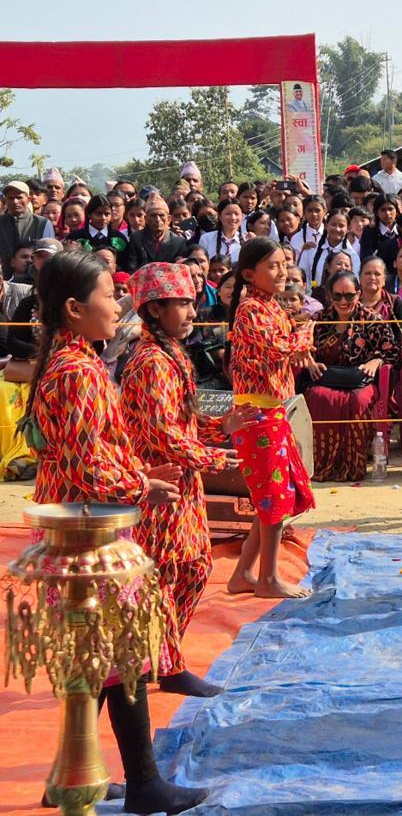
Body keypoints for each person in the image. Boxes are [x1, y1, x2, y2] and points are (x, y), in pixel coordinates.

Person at [25, 249, 207, 814]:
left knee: (98, 658)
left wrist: (133, 472)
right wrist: (141, 483)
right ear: (76, 309)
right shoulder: (77, 370)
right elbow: (88, 464)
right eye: (109, 295)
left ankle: (74, 776)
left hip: (81, 527)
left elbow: (91, 453)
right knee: (121, 653)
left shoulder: (71, 361)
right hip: (90, 531)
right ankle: (145, 784)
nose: (117, 305)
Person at [121, 262, 252, 699]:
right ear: (155, 309)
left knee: (193, 566)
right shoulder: (151, 361)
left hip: (182, 478)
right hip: (162, 482)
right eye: (183, 303)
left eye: (193, 302)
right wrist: (217, 457)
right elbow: (162, 432)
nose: (193, 311)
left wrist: (221, 426)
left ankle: (163, 656)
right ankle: (160, 663)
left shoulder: (172, 352)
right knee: (167, 571)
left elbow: (185, 418)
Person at [226, 237, 317, 599]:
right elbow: (277, 348)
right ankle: (266, 579)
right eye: (273, 266)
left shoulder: (268, 306)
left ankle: (244, 573)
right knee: (273, 499)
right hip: (257, 414)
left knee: (270, 497)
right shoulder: (251, 310)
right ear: (250, 274)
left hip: (270, 410)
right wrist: (305, 335)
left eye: (284, 264)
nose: (282, 272)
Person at [303, 270, 399, 482]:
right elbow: (301, 346)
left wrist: (376, 361)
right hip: (326, 378)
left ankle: (353, 465)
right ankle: (321, 464)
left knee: (359, 400)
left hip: (360, 379)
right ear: (329, 296)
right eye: (338, 296)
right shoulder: (318, 320)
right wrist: (310, 362)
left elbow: (391, 350)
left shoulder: (372, 319)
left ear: (358, 294)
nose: (343, 301)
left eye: (349, 296)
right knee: (318, 397)